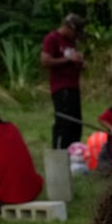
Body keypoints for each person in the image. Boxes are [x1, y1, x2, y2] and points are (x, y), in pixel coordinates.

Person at [42, 13, 87, 150]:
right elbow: (45, 60)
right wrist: (68, 60)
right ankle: (60, 151)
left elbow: (73, 59)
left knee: (76, 123)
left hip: (73, 85)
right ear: (68, 28)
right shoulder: (52, 38)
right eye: (75, 33)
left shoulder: (71, 42)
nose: (76, 37)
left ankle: (74, 152)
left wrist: (80, 63)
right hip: (61, 87)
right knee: (64, 122)